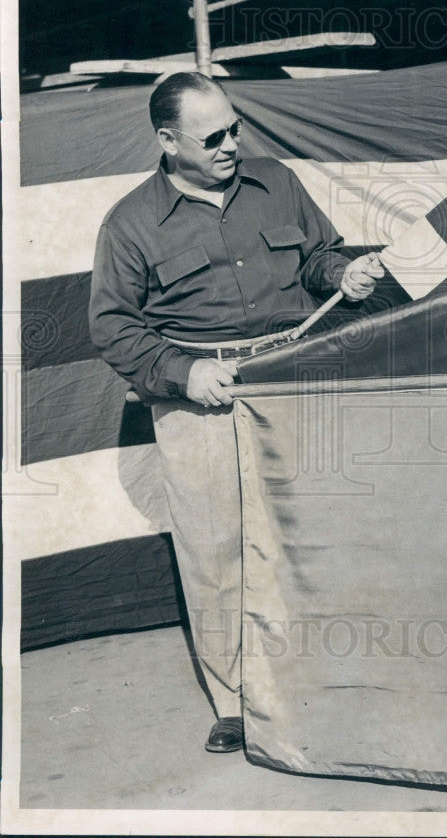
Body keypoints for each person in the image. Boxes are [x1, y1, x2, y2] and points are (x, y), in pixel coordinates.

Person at [88, 72, 383, 753]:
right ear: (167, 141)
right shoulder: (130, 223)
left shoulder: (275, 181)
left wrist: (341, 273)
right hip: (199, 400)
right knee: (217, 552)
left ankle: (330, 677)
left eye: (235, 127)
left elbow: (316, 255)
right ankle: (236, 702)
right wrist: (185, 373)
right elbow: (112, 327)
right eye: (212, 136)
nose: (231, 143)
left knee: (316, 532)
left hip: (293, 378)